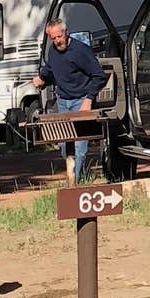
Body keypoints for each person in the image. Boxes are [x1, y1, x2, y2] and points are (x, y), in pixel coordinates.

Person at [37, 18, 109, 182]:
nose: (57, 41)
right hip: (63, 101)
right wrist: (42, 78)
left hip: (81, 101)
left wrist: (89, 99)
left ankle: (75, 184)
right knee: (64, 145)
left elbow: (99, 76)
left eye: (60, 36)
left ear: (66, 33)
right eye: (53, 38)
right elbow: (51, 69)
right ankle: (75, 176)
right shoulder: (53, 51)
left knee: (79, 147)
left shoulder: (81, 50)